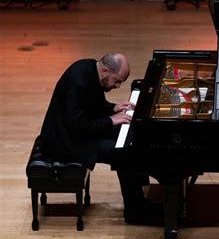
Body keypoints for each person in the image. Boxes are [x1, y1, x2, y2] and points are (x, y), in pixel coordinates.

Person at [39, 52, 161, 225]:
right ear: (105, 71)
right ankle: (135, 212)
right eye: (117, 81)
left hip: (75, 131)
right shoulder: (79, 84)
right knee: (123, 154)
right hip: (64, 142)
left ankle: (141, 190)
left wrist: (113, 109)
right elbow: (78, 129)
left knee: (131, 133)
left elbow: (91, 104)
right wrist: (111, 121)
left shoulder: (90, 67)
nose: (117, 86)